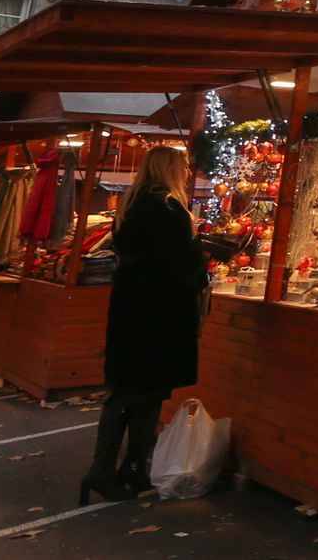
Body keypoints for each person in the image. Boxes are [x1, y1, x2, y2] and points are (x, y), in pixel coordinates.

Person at [85, 145, 205, 503]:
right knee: (145, 394)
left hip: (131, 312)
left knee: (127, 392)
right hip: (159, 315)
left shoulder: (131, 205)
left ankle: (118, 469)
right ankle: (122, 469)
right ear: (171, 170)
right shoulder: (169, 210)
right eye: (183, 167)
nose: (186, 172)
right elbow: (179, 266)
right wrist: (200, 260)